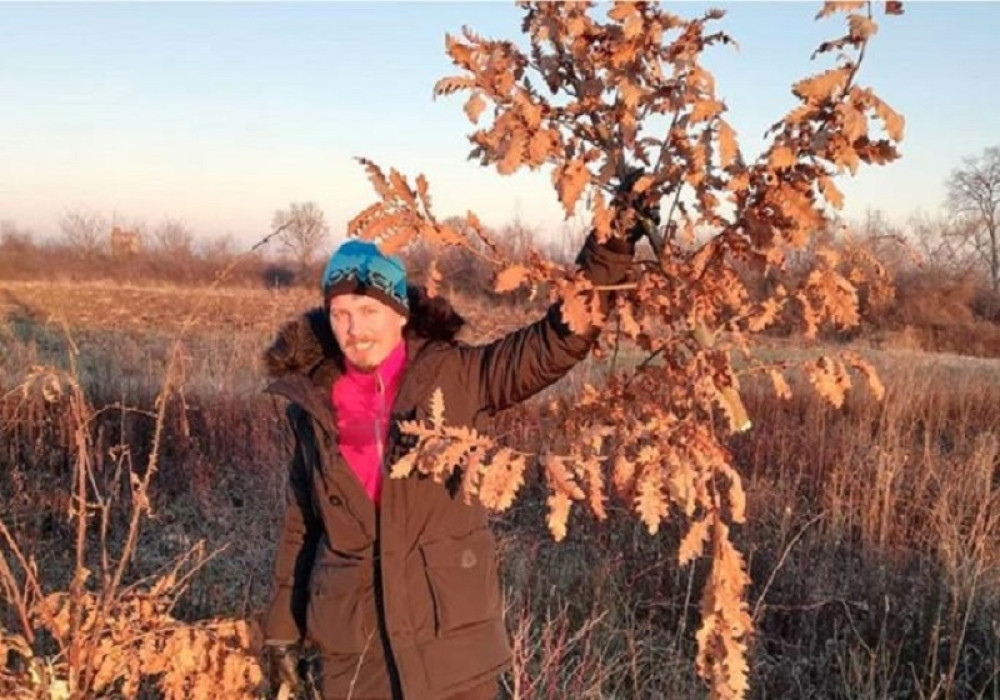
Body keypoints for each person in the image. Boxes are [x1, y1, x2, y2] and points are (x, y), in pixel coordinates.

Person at [260, 185, 653, 700]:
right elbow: (302, 525)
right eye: (340, 313)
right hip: (356, 657)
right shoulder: (310, 405)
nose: (354, 329)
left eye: (368, 311)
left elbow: (553, 343)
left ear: (401, 314)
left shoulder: (456, 377)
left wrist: (610, 247)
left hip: (451, 646)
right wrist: (281, 633)